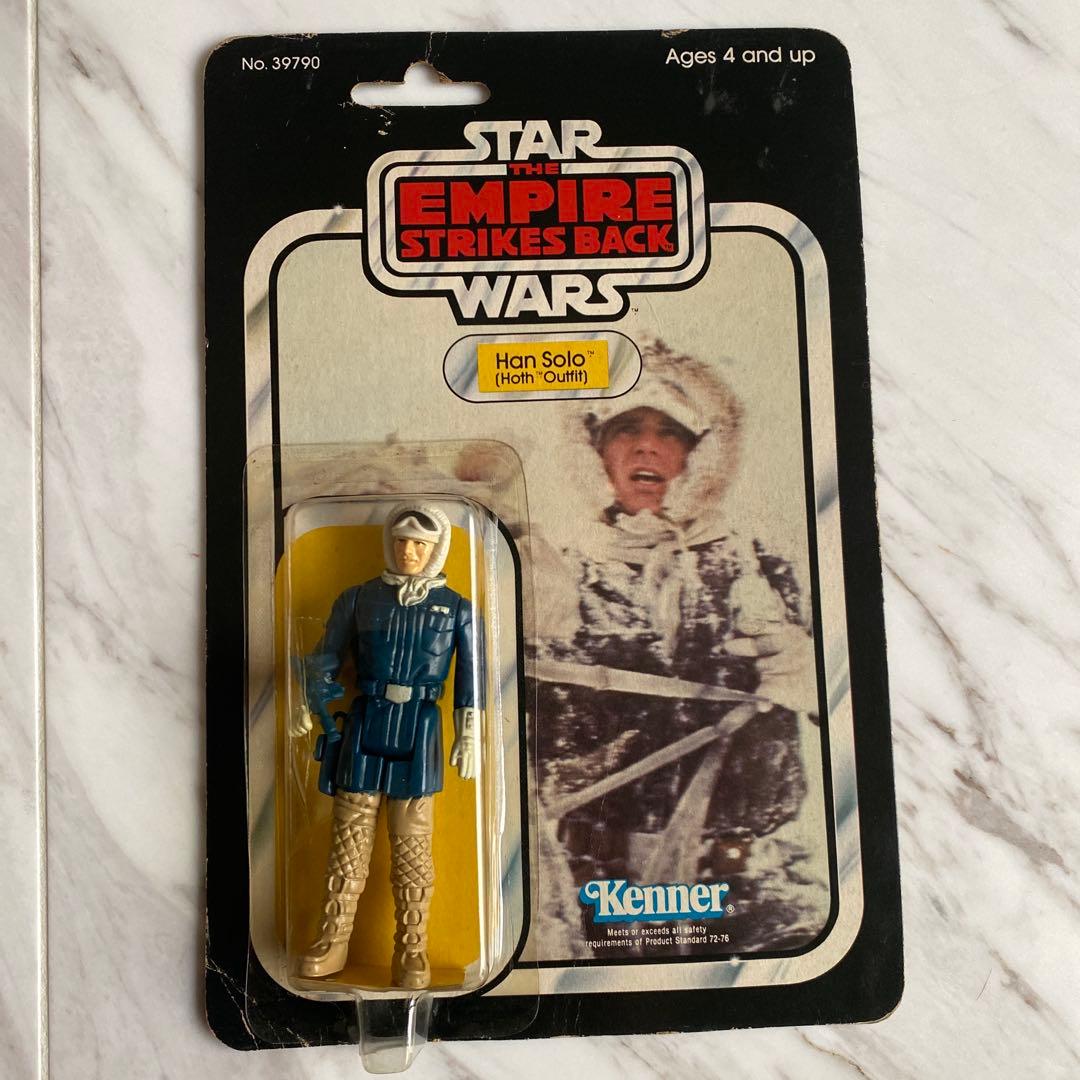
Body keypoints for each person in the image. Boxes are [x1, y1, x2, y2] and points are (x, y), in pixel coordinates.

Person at [533, 339, 827, 956]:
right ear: (596, 451)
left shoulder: (759, 564)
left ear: (698, 455)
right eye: (626, 428)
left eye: (670, 431)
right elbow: (527, 741)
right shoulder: (558, 574)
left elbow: (857, 707)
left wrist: (810, 674)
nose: (647, 446)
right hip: (593, 891)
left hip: (746, 890)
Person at [291, 503, 478, 987]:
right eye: (401, 541)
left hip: (419, 728)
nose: (408, 551)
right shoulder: (358, 599)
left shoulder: (457, 609)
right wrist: (305, 701)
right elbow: (324, 657)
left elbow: (471, 679)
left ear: (436, 548)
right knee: (348, 840)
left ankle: (412, 947)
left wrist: (470, 733)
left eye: (419, 543)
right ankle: (332, 939)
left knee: (412, 845)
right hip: (365, 721)